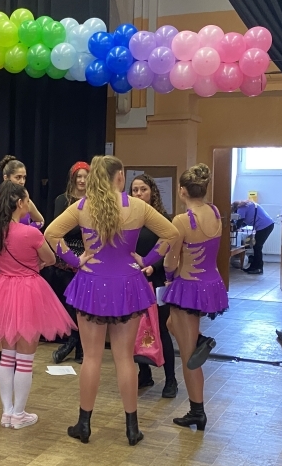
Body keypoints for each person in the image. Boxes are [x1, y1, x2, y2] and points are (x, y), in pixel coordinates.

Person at [45, 155, 179, 446]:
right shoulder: (138, 207)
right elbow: (171, 234)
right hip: (128, 284)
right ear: (120, 177)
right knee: (124, 358)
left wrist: (75, 260)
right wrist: (148, 260)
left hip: (91, 283)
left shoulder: (83, 206)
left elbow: (51, 233)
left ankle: (84, 424)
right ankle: (132, 428)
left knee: (92, 357)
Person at [0, 181, 73, 429]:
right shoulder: (31, 233)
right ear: (19, 203)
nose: (29, 203)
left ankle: (7, 412)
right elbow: (50, 258)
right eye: (27, 200)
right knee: (25, 358)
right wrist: (36, 264)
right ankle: (19, 414)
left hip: (2, 290)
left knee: (7, 357)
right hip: (28, 290)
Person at [164, 164, 229, 432]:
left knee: (188, 355)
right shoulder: (215, 212)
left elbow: (171, 259)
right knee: (172, 325)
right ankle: (201, 340)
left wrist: (168, 276)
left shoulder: (182, 220)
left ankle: (197, 411)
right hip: (211, 283)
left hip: (188, 285)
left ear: (182, 191)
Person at [0, 155, 45, 376]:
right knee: (1, 312)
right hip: (1, 259)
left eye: (24, 177)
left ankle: (16, 354)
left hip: (22, 259)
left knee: (21, 311)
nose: (21, 181)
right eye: (17, 177)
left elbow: (40, 220)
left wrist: (28, 234)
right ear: (6, 178)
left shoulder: (25, 199)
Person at [129, 174, 178, 398]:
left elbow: (169, 249)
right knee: (134, 329)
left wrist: (153, 266)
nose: (139, 194)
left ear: (152, 192)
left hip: (156, 281)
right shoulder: (128, 219)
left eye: (143, 189)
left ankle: (171, 380)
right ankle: (144, 373)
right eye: (135, 190)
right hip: (133, 281)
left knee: (162, 329)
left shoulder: (162, 219)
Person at [48, 162, 89, 365]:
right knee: (69, 303)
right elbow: (60, 229)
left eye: (85, 177)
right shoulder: (62, 200)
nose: (81, 180)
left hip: (88, 255)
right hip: (66, 255)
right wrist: (82, 225)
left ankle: (77, 345)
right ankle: (74, 341)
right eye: (78, 176)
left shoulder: (94, 201)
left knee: (83, 303)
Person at [232, 199, 275, 274]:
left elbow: (239, 222)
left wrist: (233, 227)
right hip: (267, 225)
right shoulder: (247, 205)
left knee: (257, 247)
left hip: (264, 226)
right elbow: (245, 222)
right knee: (256, 247)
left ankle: (258, 268)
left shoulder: (240, 208)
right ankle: (254, 266)